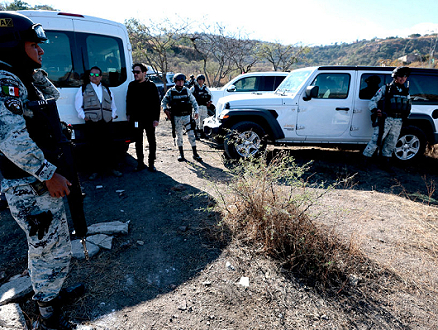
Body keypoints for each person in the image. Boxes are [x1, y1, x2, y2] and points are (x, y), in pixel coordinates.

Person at [0, 11, 80, 329]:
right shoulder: (5, 81)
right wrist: (48, 173)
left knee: (49, 246)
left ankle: (48, 295)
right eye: (35, 44)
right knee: (49, 248)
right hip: (29, 185)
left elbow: (48, 103)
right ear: (12, 46)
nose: (42, 50)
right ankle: (47, 314)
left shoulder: (21, 75)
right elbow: (11, 141)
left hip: (35, 183)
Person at [74, 66, 122, 180]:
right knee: (93, 147)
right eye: (91, 74)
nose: (93, 77)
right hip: (92, 122)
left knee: (109, 146)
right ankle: (95, 171)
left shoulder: (106, 89)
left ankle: (112, 168)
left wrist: (112, 115)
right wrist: (83, 116)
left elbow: (112, 104)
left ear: (100, 77)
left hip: (106, 122)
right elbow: (78, 104)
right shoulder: (83, 88)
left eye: (96, 75)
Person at [362, 66, 411, 170]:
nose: (403, 78)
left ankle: (385, 163)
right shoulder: (386, 89)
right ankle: (365, 161)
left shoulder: (405, 91)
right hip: (386, 119)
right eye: (401, 76)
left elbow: (408, 105)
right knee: (376, 140)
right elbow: (373, 101)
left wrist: (406, 117)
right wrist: (376, 111)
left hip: (398, 121)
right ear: (395, 76)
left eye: (405, 76)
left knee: (391, 142)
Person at [126, 63, 161, 172]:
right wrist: (128, 114)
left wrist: (156, 119)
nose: (135, 74)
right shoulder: (131, 85)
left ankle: (151, 164)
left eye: (138, 72)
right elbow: (128, 101)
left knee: (151, 141)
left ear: (144, 73)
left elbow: (156, 103)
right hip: (136, 119)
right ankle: (140, 163)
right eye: (134, 72)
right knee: (138, 142)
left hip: (149, 119)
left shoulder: (151, 86)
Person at [162, 73, 202, 162]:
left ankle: (195, 153)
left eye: (182, 81)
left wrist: (196, 111)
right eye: (178, 81)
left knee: (191, 135)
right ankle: (181, 154)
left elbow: (194, 102)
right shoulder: (171, 91)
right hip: (176, 118)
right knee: (179, 136)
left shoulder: (187, 90)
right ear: (175, 81)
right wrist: (165, 110)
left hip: (187, 116)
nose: (180, 83)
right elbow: (163, 102)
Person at [190, 74, 212, 139]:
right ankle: (196, 134)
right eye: (199, 79)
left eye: (202, 80)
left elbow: (211, 96)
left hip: (204, 106)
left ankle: (202, 133)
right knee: (196, 120)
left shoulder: (205, 88)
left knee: (203, 120)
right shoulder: (194, 88)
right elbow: (189, 95)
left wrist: (209, 103)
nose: (201, 81)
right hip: (196, 106)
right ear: (197, 80)